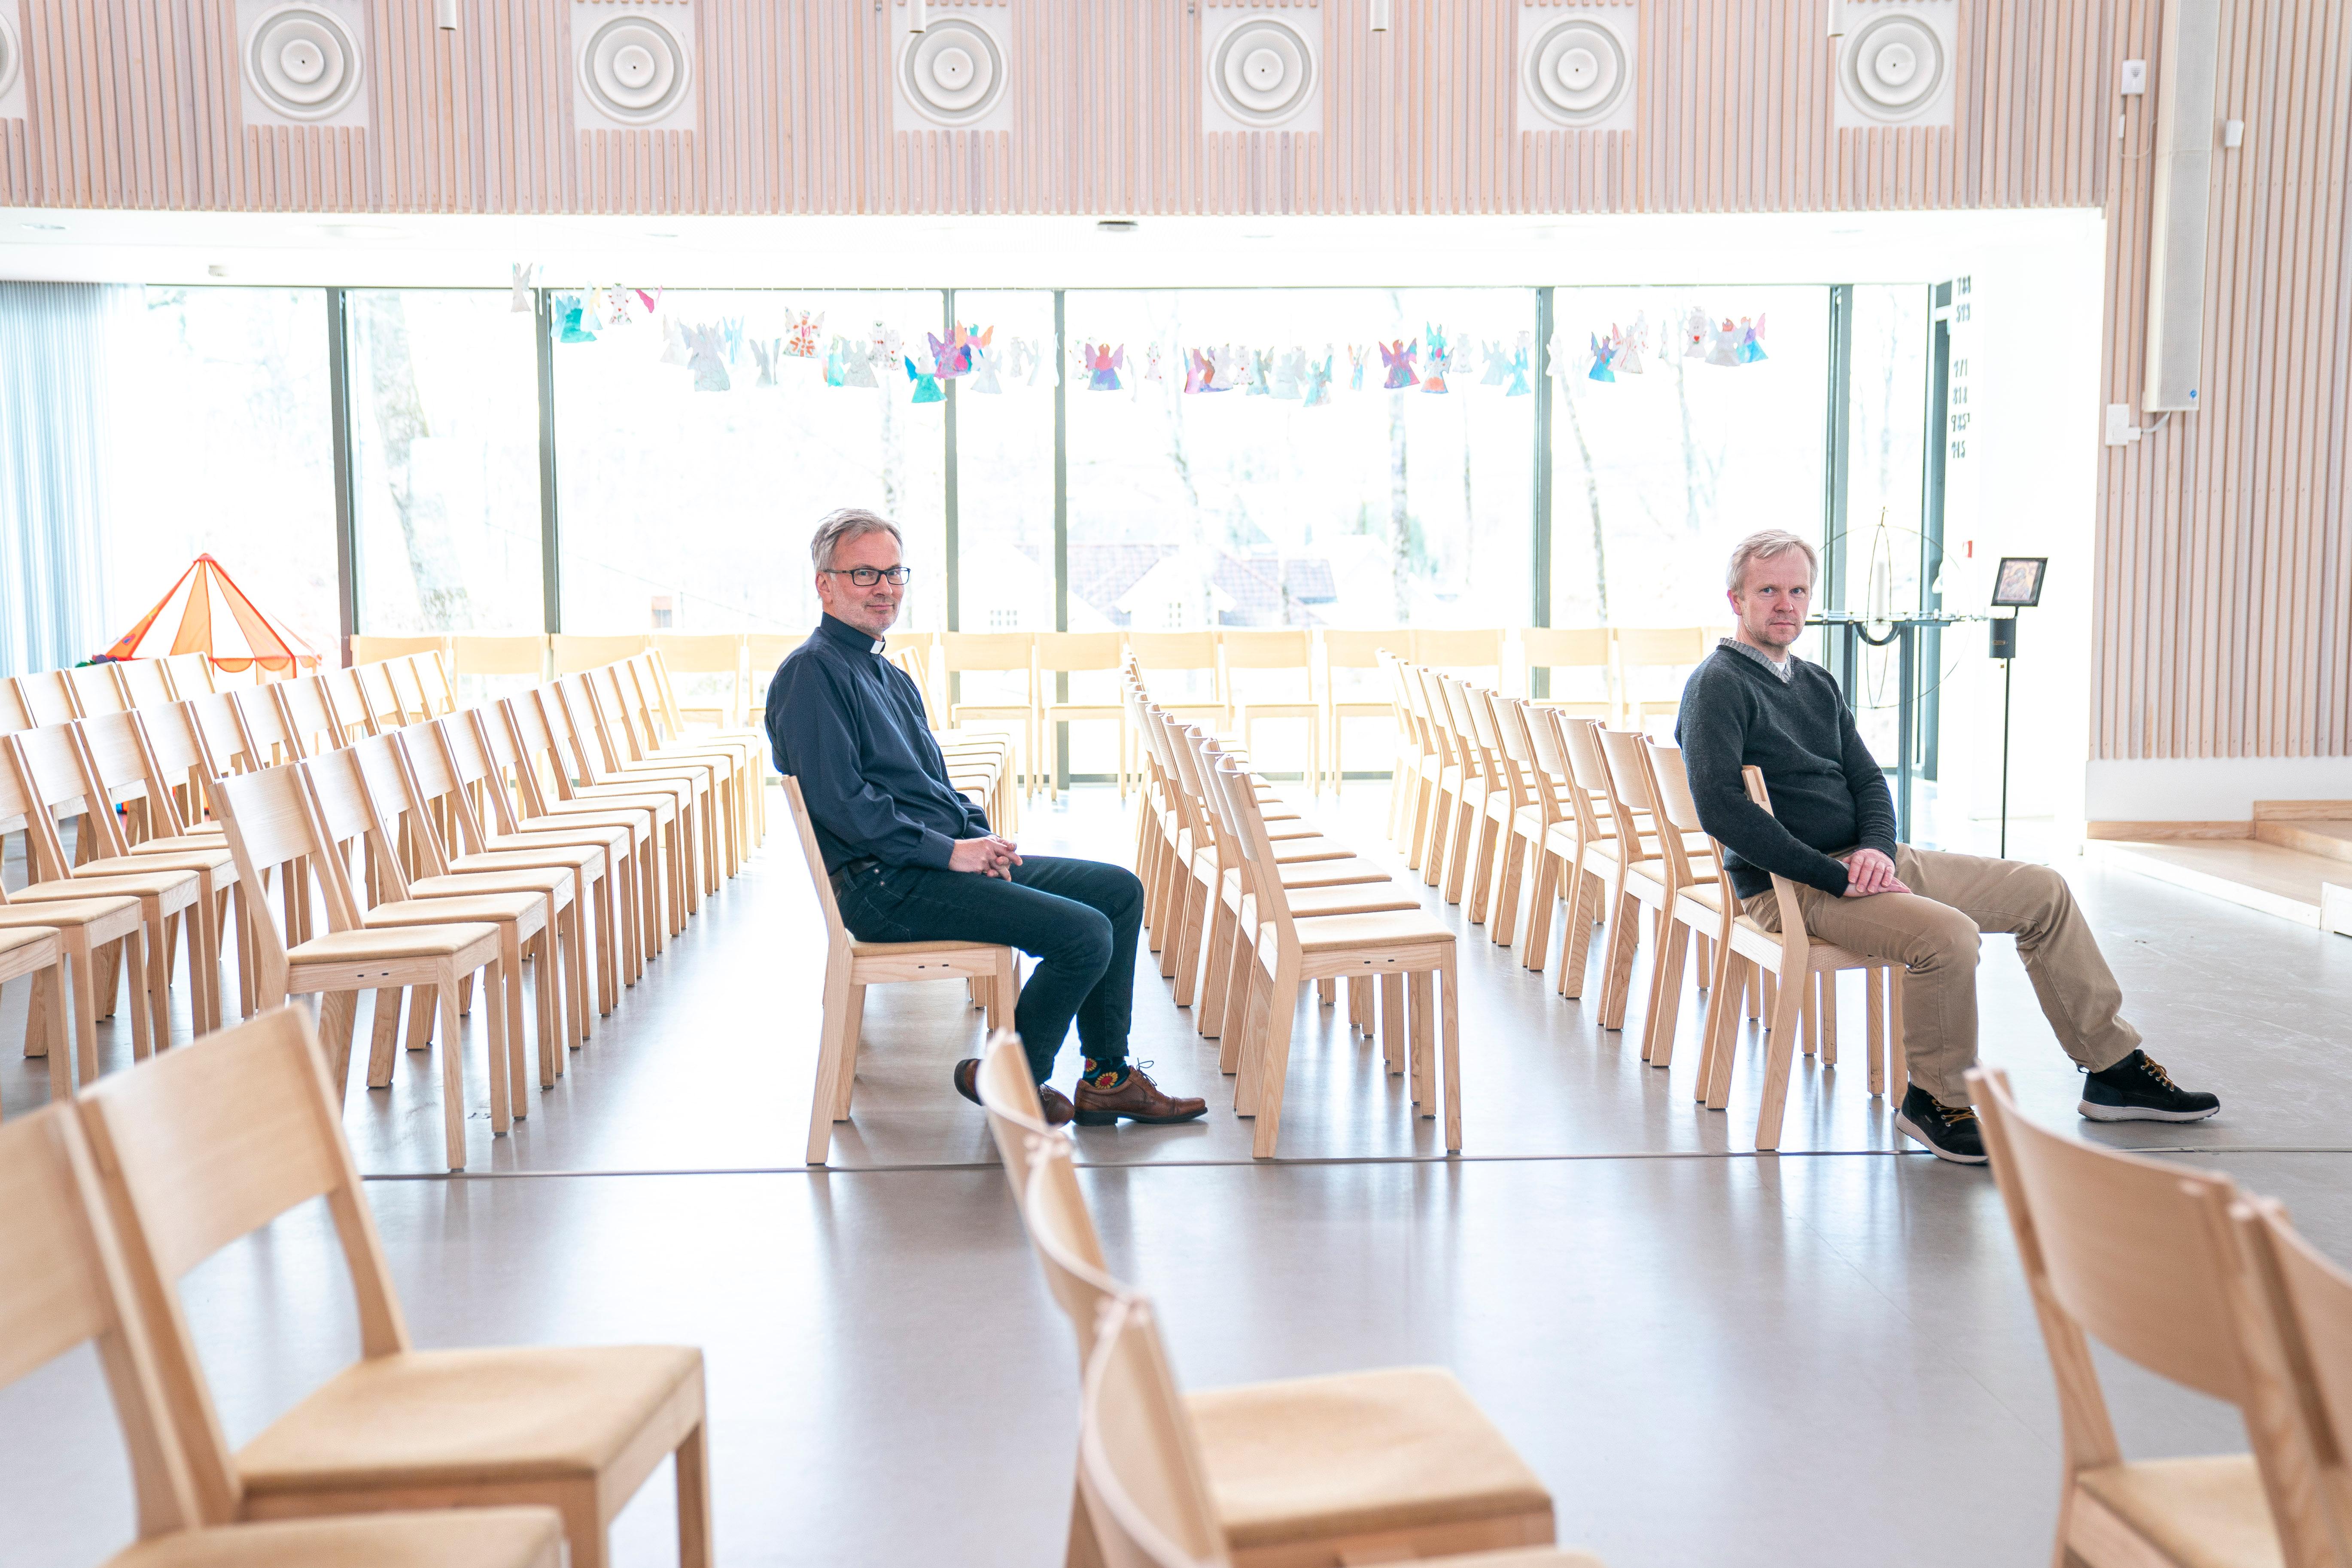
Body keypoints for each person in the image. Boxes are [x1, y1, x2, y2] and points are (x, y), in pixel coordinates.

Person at [1676, 528, 2218, 1164]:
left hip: (1866, 863)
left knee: (2043, 891)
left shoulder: (1813, 681)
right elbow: (1720, 808)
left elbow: (1867, 779)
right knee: (1947, 936)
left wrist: (1877, 850)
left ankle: (2111, 1069)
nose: (1786, 604)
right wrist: (1833, 875)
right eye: (1768, 591)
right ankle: (1936, 1102)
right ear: (1735, 600)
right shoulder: (1717, 684)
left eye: (1797, 590)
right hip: (1792, 885)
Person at [766, 506, 1206, 1130]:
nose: (884, 588)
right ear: (825, 583)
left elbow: (932, 789)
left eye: (894, 573)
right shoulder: (810, 675)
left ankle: (1107, 1078)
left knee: (1116, 891)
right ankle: (1013, 1078)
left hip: (925, 865)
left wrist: (977, 838)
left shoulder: (885, 673)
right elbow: (844, 806)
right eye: (864, 574)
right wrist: (949, 853)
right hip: (883, 886)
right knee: (1083, 935)